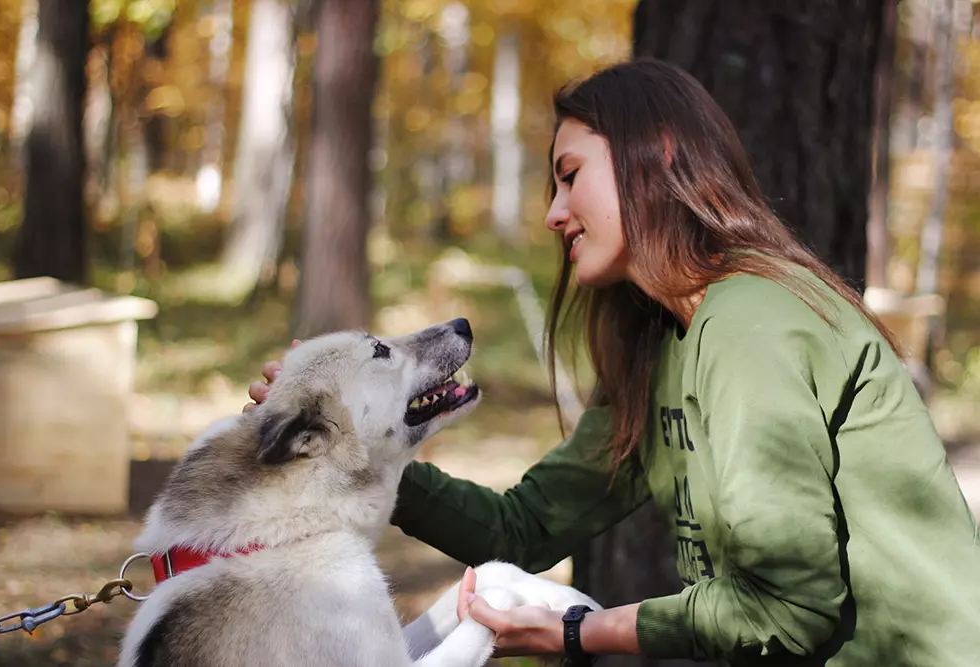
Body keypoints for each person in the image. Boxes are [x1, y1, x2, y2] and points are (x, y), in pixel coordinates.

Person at [246, 58, 980, 666]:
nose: (553, 213)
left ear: (658, 152)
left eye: (570, 176)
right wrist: (348, 447)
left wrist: (579, 633)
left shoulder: (751, 324)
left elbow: (787, 605)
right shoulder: (661, 343)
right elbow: (520, 529)